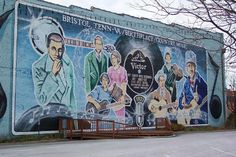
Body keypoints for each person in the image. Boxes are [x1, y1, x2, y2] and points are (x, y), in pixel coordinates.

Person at [32, 32, 77, 112]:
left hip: (68, 117)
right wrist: (52, 74)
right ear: (48, 47)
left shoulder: (67, 63)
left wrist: (75, 121)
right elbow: (41, 100)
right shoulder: (38, 67)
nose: (56, 53)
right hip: (52, 118)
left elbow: (71, 96)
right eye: (53, 48)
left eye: (59, 50)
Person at [178, 50, 207, 125]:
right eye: (189, 66)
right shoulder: (186, 83)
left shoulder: (200, 81)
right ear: (186, 68)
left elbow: (207, 94)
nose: (191, 68)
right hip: (188, 112)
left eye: (192, 66)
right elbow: (181, 96)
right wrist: (181, 102)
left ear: (195, 67)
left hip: (200, 112)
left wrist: (199, 98)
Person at [107, 50, 128, 122]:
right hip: (111, 95)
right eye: (112, 58)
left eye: (115, 58)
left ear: (118, 58)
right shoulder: (109, 70)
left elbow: (124, 84)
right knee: (112, 114)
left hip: (119, 95)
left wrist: (123, 95)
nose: (113, 60)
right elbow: (108, 83)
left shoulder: (122, 70)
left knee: (120, 116)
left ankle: (122, 129)